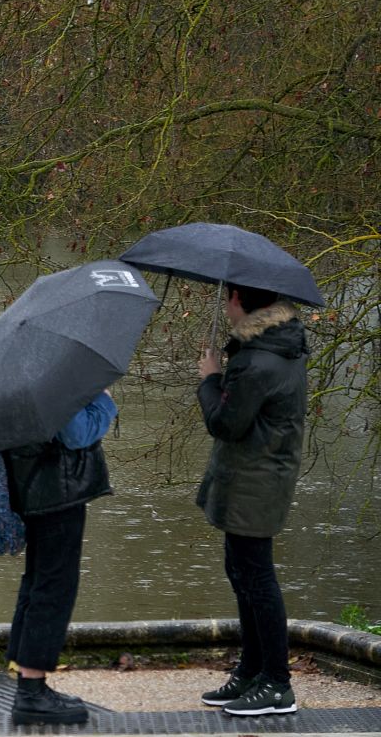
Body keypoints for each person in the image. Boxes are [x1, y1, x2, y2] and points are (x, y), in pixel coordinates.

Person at [196, 283, 308, 716]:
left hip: (255, 482)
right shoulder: (274, 349)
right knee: (241, 572)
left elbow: (226, 423)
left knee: (257, 580)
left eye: (228, 298)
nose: (225, 307)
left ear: (238, 300)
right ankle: (252, 670)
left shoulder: (258, 361)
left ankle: (277, 684)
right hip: (255, 477)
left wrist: (210, 378)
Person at [0, 389, 116, 726]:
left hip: (30, 487)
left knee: (37, 581)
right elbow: (77, 434)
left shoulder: (16, 376)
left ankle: (27, 683)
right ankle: (32, 692)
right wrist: (105, 401)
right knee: (54, 586)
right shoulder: (51, 378)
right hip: (57, 490)